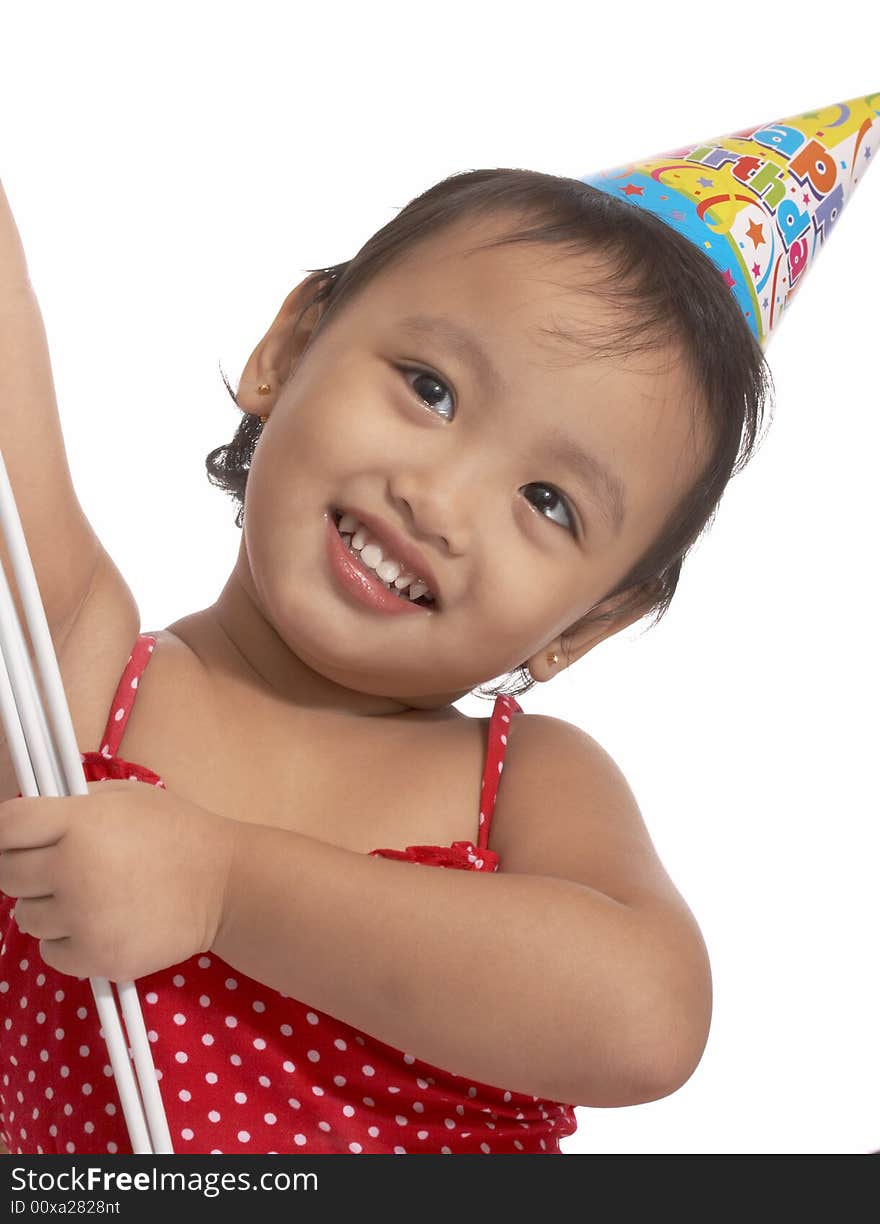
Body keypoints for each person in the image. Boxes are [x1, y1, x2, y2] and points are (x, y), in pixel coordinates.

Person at [0, 89, 875, 1156]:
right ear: (292, 342)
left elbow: (647, 1022)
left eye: (547, 503)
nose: (441, 501)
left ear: (586, 626)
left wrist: (225, 886)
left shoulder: (524, 788)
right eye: (431, 388)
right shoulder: (82, 675)